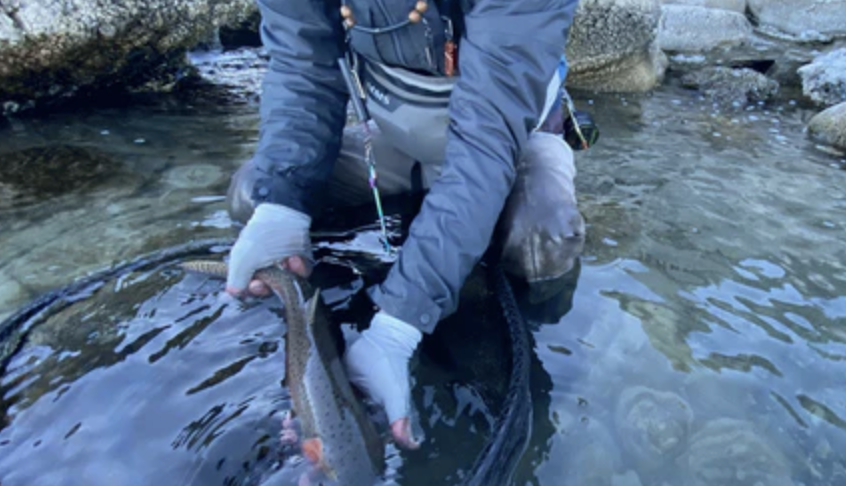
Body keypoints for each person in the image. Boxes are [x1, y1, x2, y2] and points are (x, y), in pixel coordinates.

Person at [223, 0, 585, 450]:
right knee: (253, 194)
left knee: (542, 242)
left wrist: (398, 324)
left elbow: (484, 147)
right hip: (395, 140)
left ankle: (520, 342)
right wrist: (282, 207)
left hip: (510, 142)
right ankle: (325, 318)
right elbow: (304, 68)